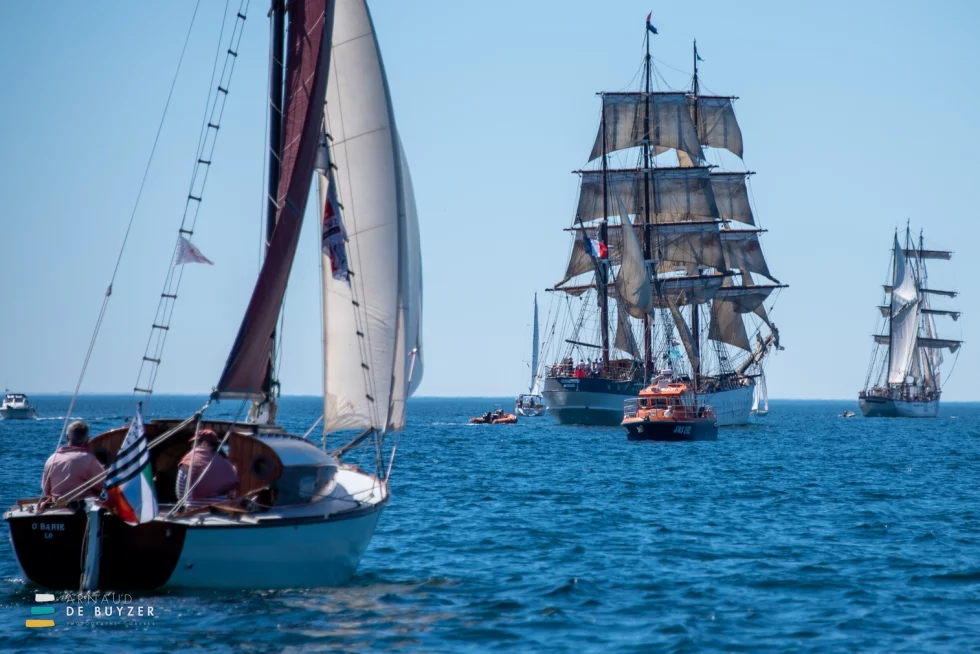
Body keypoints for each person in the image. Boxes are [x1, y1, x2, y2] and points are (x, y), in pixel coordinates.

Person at [40, 421, 104, 505]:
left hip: (56, 508)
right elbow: (102, 487)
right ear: (87, 440)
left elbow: (46, 490)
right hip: (81, 510)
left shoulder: (51, 460)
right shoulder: (89, 459)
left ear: (67, 438)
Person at [175, 429, 239, 505]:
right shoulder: (227, 464)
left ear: (205, 444)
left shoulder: (187, 462)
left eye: (195, 443)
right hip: (219, 509)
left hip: (193, 510)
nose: (192, 445)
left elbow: (180, 493)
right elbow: (232, 493)